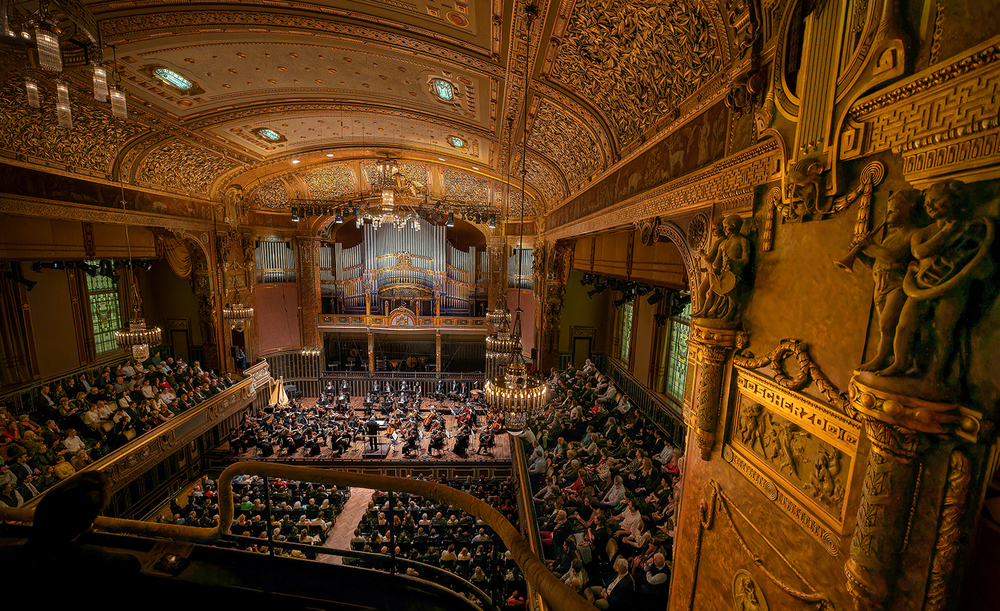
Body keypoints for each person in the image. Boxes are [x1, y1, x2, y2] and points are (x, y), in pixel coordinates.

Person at [0, 472, 141, 604]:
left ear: (40, 512)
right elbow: (133, 563)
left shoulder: (6, 558)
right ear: (87, 527)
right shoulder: (96, 561)